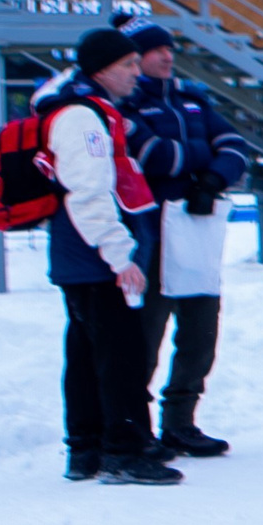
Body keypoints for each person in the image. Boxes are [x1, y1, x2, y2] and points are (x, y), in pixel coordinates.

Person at [116, 18, 250, 457]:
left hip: (198, 235)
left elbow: (235, 146)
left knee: (200, 333)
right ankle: (136, 424)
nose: (166, 56)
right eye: (155, 51)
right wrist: (202, 159)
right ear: (135, 58)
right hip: (152, 238)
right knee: (145, 338)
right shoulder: (126, 105)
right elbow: (153, 156)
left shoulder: (193, 98)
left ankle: (181, 422)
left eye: (169, 48)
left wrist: (210, 179)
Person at [41, 29, 168, 485]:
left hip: (82, 257)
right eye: (128, 65)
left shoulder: (81, 111)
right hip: (93, 258)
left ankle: (86, 449)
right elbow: (88, 192)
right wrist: (120, 255)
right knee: (120, 355)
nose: (137, 73)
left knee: (86, 351)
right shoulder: (82, 118)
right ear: (100, 70)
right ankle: (122, 450)